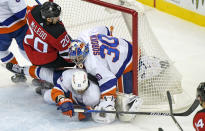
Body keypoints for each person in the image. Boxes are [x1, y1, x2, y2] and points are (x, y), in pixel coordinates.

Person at [23, 1, 75, 68]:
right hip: (43, 59)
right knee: (71, 62)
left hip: (29, 49)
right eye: (56, 17)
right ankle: (55, 72)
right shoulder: (58, 32)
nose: (58, 18)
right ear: (48, 19)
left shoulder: (34, 11)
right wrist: (75, 60)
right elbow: (67, 55)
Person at [0, 0, 29, 83]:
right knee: (27, 49)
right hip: (19, 26)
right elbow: (22, 13)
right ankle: (41, 72)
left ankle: (18, 73)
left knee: (1, 52)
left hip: (3, 31)